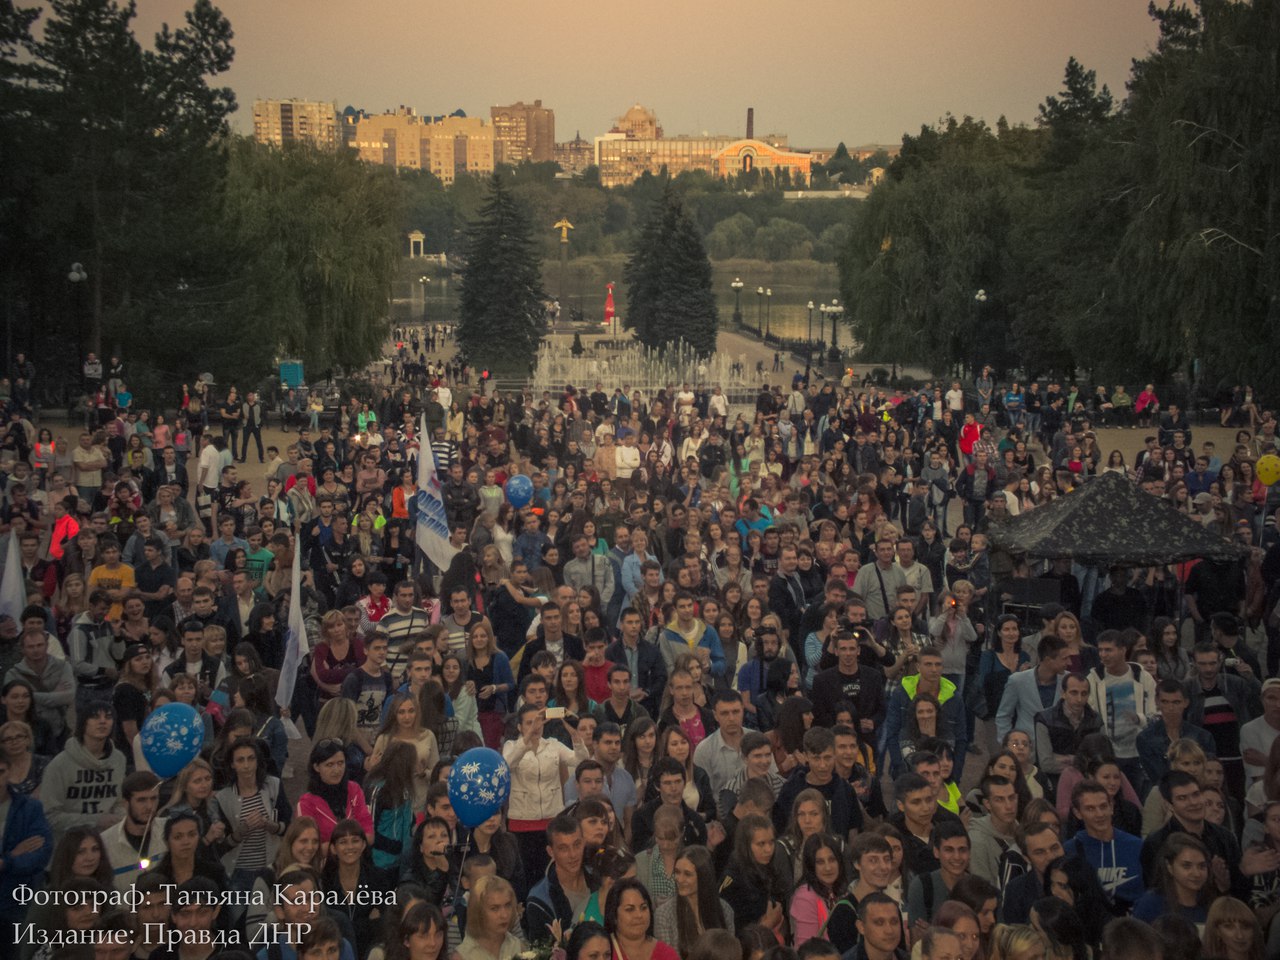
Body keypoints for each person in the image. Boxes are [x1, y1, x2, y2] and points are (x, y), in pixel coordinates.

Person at [41, 701, 126, 837]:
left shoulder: (119, 759)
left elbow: (119, 802)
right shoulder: (59, 764)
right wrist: (95, 821)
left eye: (108, 717)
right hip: (69, 841)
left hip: (109, 837)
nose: (103, 721)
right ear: (83, 723)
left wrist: (121, 817)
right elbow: (49, 816)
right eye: (95, 717)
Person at [1067, 779, 1144, 912]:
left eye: (1103, 806)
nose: (1100, 814)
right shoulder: (1069, 851)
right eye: (1090, 808)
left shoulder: (1137, 847)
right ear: (1077, 813)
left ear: (1111, 807)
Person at [652, 844, 733, 954]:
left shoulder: (725, 910)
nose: (679, 879)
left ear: (704, 876)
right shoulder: (664, 915)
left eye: (687, 874)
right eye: (677, 872)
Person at [526, 814, 593, 944]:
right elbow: (543, 952)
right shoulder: (539, 900)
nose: (572, 854)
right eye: (563, 848)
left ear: (584, 843)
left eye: (577, 845)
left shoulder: (600, 880)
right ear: (551, 852)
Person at [297, 738, 373, 847]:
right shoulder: (307, 804)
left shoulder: (354, 790)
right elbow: (308, 847)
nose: (337, 770)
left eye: (340, 763)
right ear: (316, 767)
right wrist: (348, 846)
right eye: (329, 765)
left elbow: (367, 828)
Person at [1131, 831, 1212, 925]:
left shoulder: (1212, 904)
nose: (1196, 873)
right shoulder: (1150, 904)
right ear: (1169, 866)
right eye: (1186, 866)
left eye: (1202, 866)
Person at [996, 636, 1068, 741]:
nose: (1069, 662)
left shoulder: (1068, 681)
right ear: (1048, 660)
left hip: (1057, 748)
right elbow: (1003, 715)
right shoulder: (1018, 681)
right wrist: (1008, 744)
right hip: (1026, 747)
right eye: (1064, 659)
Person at [605, 876, 679, 960]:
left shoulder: (666, 954)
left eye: (643, 908)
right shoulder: (603, 951)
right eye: (630, 909)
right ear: (614, 915)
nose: (639, 915)